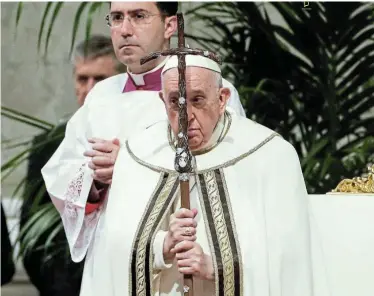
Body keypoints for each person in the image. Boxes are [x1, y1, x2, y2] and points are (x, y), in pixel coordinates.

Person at [67, 55, 313, 295]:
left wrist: (219, 268)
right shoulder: (138, 154)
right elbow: (112, 251)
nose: (186, 116)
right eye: (176, 102)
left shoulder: (269, 155)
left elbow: (289, 259)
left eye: (197, 100)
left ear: (222, 98)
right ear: (163, 101)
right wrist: (162, 245)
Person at [41, 2, 246, 266]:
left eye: (139, 16)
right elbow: (62, 173)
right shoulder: (100, 96)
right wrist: (94, 182)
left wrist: (129, 165)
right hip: (112, 258)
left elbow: (229, 174)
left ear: (170, 25)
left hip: (183, 255)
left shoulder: (205, 90)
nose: (125, 29)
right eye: (117, 18)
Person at [20, 35, 124, 296]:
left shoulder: (141, 138)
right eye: (82, 78)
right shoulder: (46, 145)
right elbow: (32, 234)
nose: (89, 88)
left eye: (99, 79)